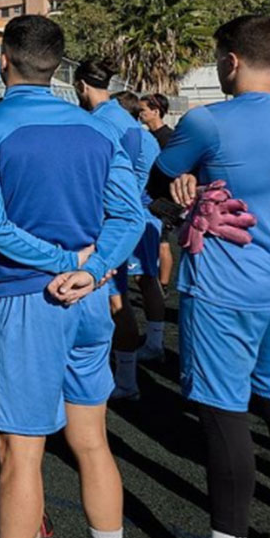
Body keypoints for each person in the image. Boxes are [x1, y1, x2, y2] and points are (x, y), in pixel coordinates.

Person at [0, 15, 142, 538]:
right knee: (92, 442)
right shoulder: (99, 127)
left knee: (22, 455)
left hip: (30, 300)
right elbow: (129, 214)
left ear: (3, 59)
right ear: (58, 65)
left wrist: (67, 263)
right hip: (89, 300)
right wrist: (95, 269)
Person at [146, 16, 270, 538]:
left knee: (224, 416)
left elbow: (157, 179)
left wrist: (181, 187)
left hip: (223, 290)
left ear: (232, 61)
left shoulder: (206, 120)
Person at [73, 61, 165, 400]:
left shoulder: (97, 124)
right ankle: (150, 348)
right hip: (142, 218)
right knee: (146, 283)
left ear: (81, 85)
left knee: (115, 301)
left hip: (115, 223)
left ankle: (124, 382)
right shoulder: (134, 125)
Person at [138, 93, 176, 292]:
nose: (140, 113)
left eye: (143, 110)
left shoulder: (168, 137)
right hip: (151, 196)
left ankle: (163, 285)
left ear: (156, 111)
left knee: (162, 242)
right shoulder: (147, 136)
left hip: (162, 199)